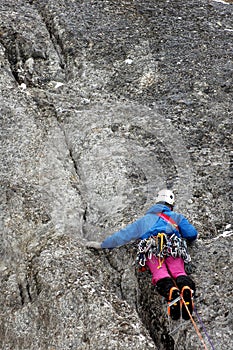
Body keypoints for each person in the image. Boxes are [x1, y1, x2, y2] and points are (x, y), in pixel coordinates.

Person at [86, 189, 198, 320]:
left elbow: (124, 235)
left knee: (160, 273)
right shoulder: (177, 217)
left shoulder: (144, 220)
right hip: (173, 246)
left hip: (152, 247)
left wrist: (103, 245)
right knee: (178, 272)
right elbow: (192, 234)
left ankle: (171, 293)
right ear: (171, 204)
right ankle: (185, 288)